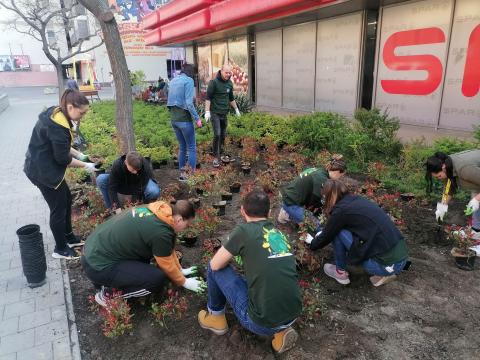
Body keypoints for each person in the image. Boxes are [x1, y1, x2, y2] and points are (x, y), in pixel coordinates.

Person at [198, 190, 302, 354]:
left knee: (213, 267)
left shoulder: (243, 231)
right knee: (267, 279)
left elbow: (216, 264)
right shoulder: (280, 234)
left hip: (260, 322)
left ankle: (216, 317)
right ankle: (282, 331)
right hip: (293, 313)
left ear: (242, 210)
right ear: (268, 213)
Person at [81, 200, 206, 307]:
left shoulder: (158, 211)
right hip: (98, 266)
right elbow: (166, 264)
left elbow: (167, 249)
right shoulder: (160, 232)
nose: (187, 228)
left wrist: (180, 270)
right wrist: (184, 282)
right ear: (179, 220)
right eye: (187, 224)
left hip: (93, 252)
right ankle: (108, 294)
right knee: (155, 280)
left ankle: (108, 281)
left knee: (146, 262)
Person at [24, 89, 97, 259]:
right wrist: (87, 165)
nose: (83, 115)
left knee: (66, 199)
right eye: (82, 112)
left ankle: (69, 238)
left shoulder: (58, 114)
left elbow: (62, 145)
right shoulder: (58, 125)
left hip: (45, 166)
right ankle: (60, 249)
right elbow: (63, 159)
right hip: (42, 172)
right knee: (58, 209)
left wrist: (81, 155)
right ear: (70, 107)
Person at [306, 180, 409, 287]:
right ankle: (388, 269)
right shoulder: (356, 201)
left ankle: (340, 273)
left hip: (386, 266)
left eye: (324, 197)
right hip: (402, 258)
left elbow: (327, 236)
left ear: (328, 197)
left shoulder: (341, 211)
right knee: (345, 230)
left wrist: (312, 243)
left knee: (338, 232)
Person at [425, 150, 480, 239]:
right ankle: (477, 231)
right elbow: (449, 188)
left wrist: (476, 199)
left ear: (443, 167)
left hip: (472, 171)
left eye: (439, 176)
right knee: (476, 195)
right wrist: (442, 206)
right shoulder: (447, 166)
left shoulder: (464, 169)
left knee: (477, 199)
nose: (439, 178)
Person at [278, 154, 346, 224]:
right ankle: (289, 214)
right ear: (337, 172)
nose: (339, 179)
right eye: (341, 176)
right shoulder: (322, 180)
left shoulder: (319, 170)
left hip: (287, 194)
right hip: (290, 202)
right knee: (316, 224)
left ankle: (287, 213)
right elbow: (314, 203)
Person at [167, 63, 202, 181]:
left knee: (182, 147)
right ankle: (190, 174)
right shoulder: (188, 81)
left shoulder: (173, 81)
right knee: (191, 147)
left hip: (174, 119)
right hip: (184, 120)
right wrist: (197, 118)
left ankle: (182, 174)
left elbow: (169, 101)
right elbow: (189, 103)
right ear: (192, 73)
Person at [204, 64, 241, 168]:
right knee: (217, 134)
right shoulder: (214, 83)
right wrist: (207, 112)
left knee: (223, 135)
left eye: (230, 73)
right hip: (215, 112)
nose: (228, 74)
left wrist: (236, 109)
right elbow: (208, 98)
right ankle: (216, 157)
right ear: (221, 71)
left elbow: (231, 98)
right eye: (226, 72)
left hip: (224, 113)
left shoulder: (229, 83)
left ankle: (223, 154)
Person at [96, 151, 160, 211]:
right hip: (122, 184)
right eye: (133, 170)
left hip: (137, 185)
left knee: (154, 191)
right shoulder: (117, 165)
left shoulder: (144, 165)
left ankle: (147, 207)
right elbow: (112, 188)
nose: (135, 172)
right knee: (101, 179)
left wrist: (134, 206)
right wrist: (117, 209)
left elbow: (139, 188)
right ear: (126, 162)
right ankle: (112, 210)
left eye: (137, 170)